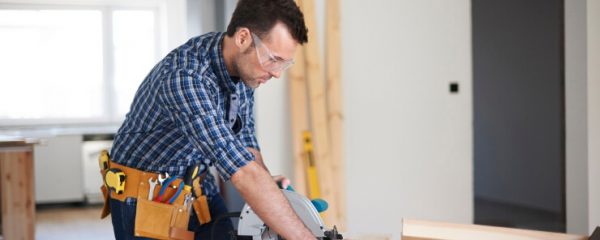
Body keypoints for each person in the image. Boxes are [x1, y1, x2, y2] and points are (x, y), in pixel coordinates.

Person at [105, 0, 314, 239]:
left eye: (285, 64)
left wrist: (267, 186)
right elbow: (243, 173)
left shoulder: (243, 70)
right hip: (146, 198)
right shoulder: (184, 77)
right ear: (243, 38)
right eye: (273, 59)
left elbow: (245, 145)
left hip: (197, 187)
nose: (277, 73)